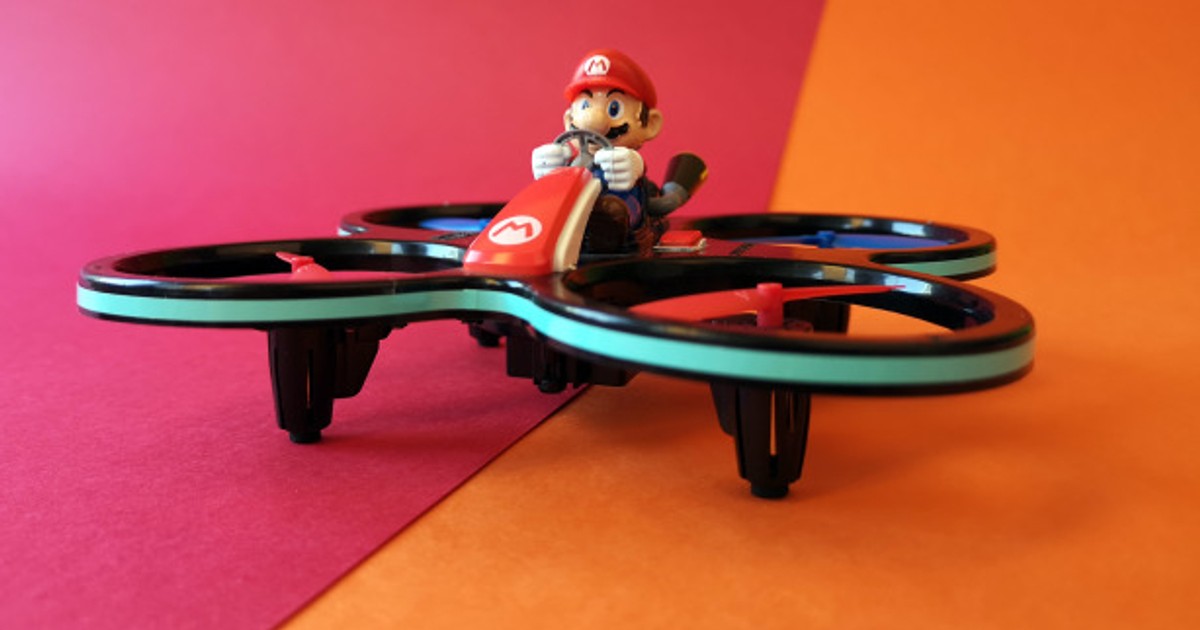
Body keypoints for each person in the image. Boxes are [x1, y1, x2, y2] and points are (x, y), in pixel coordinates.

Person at [531, 49, 667, 253]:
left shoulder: (630, 166)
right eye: (585, 105)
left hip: (622, 223)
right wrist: (549, 173)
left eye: (614, 109)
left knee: (613, 209)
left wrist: (633, 165)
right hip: (566, 237)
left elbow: (637, 182)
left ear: (651, 124)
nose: (593, 121)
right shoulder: (569, 162)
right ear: (569, 120)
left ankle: (604, 224)